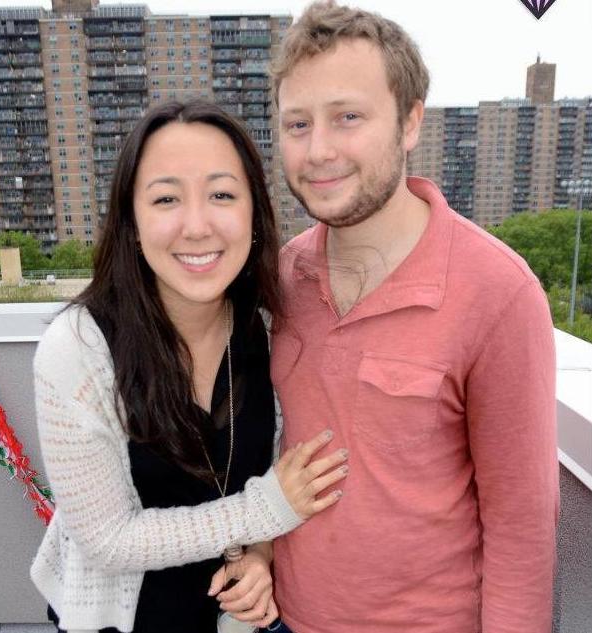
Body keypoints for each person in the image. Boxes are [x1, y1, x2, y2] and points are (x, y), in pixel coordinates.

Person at [267, 2, 559, 632]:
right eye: (297, 124)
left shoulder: (498, 293)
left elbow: (521, 530)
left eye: (348, 117)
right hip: (288, 621)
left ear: (410, 123)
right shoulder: (282, 277)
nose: (318, 150)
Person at [30, 100, 349, 633]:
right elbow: (107, 540)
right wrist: (266, 511)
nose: (197, 226)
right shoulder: (79, 349)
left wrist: (262, 553)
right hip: (120, 619)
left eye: (222, 195)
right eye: (166, 199)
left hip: (228, 617)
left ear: (253, 215)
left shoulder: (270, 327)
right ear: (131, 222)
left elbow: (277, 471)